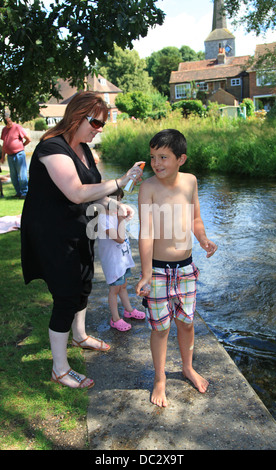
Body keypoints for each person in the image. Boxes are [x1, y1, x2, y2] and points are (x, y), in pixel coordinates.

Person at [21, 91, 144, 389]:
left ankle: (79, 335)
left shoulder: (85, 150)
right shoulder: (52, 148)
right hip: (52, 234)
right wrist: (120, 181)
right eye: (95, 122)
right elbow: (76, 192)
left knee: (84, 284)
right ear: (77, 116)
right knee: (65, 296)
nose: (99, 128)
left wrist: (115, 206)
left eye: (102, 124)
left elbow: (94, 193)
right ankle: (60, 369)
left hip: (79, 228)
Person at [136, 129, 217, 407]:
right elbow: (146, 233)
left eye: (163, 157)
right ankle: (160, 379)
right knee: (160, 328)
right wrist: (146, 273)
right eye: (153, 157)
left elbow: (195, 217)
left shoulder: (190, 182)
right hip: (158, 270)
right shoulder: (148, 188)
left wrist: (203, 239)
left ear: (181, 158)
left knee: (186, 322)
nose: (157, 163)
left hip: (185, 268)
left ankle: (187, 367)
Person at [98, 187, 145, 332]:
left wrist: (126, 213)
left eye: (120, 201)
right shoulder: (102, 219)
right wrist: (120, 218)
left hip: (122, 259)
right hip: (113, 262)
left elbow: (130, 216)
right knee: (114, 289)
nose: (119, 204)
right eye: (116, 201)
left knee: (123, 285)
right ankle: (115, 318)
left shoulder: (114, 214)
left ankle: (128, 310)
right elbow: (119, 238)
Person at [1, 114, 31, 198]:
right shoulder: (4, 130)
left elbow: (28, 139)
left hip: (19, 154)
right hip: (10, 156)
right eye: (7, 121)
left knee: (22, 175)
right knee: (13, 176)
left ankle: (24, 192)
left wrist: (22, 146)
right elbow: (4, 144)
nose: (9, 122)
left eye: (10, 120)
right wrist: (3, 156)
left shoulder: (17, 127)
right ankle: (18, 192)